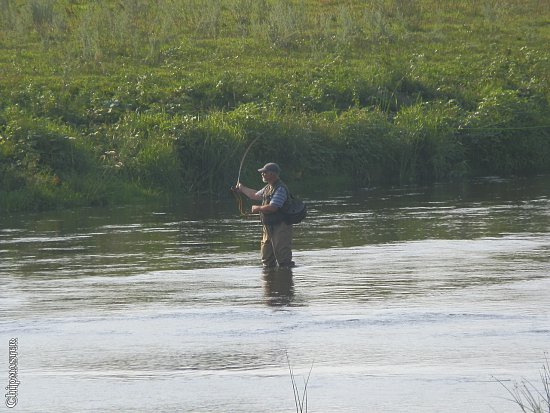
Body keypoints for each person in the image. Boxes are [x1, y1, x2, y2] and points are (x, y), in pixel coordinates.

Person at [236, 162, 295, 268]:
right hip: (268, 226)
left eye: (264, 172)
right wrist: (241, 188)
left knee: (283, 260)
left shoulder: (280, 189)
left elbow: (273, 207)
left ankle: (285, 282)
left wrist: (257, 208)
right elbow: (254, 195)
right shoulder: (268, 187)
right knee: (267, 259)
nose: (262, 174)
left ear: (273, 174)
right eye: (262, 172)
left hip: (281, 226)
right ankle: (269, 282)